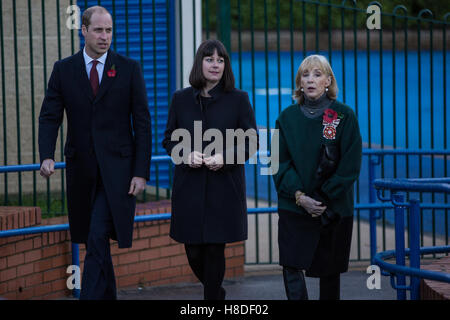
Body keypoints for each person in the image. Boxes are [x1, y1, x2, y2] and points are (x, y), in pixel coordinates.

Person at [38, 6, 151, 300]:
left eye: (109, 30)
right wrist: (46, 155)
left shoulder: (128, 69)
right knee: (94, 238)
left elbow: (142, 122)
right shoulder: (63, 70)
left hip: (119, 173)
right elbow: (50, 115)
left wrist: (141, 172)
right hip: (82, 172)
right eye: (99, 30)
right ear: (83, 31)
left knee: (97, 234)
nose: (105, 36)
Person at [162, 39, 258, 300]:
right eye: (209, 59)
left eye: (220, 60)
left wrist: (225, 157)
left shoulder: (239, 99)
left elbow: (251, 141)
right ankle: (217, 292)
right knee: (193, 251)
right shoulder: (180, 99)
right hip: (189, 188)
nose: (215, 64)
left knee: (215, 249)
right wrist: (184, 154)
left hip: (224, 187)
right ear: (199, 63)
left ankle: (211, 299)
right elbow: (168, 139)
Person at [272, 54, 362, 300]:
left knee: (329, 271)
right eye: (305, 75)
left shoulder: (345, 115)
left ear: (328, 81)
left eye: (317, 74)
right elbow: (277, 163)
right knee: (291, 265)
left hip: (332, 209)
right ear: (299, 83)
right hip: (294, 206)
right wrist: (301, 197)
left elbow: (350, 165)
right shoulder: (285, 117)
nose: (310, 79)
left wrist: (321, 199)